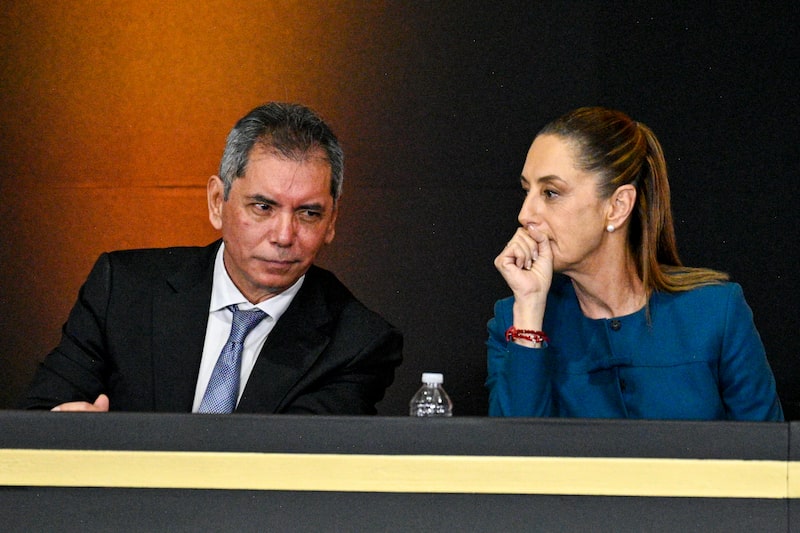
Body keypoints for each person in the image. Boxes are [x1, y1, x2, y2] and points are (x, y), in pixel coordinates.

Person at [19, 102, 403, 414]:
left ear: (332, 221)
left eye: (309, 213)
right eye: (263, 207)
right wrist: (65, 430)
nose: (284, 236)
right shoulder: (122, 290)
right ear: (218, 202)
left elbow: (290, 469)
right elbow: (40, 415)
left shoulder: (357, 342)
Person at [487, 106, 782, 421]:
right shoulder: (515, 322)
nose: (525, 214)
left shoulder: (716, 312)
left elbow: (770, 462)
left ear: (617, 206)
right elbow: (512, 463)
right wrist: (530, 310)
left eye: (551, 192)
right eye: (526, 190)